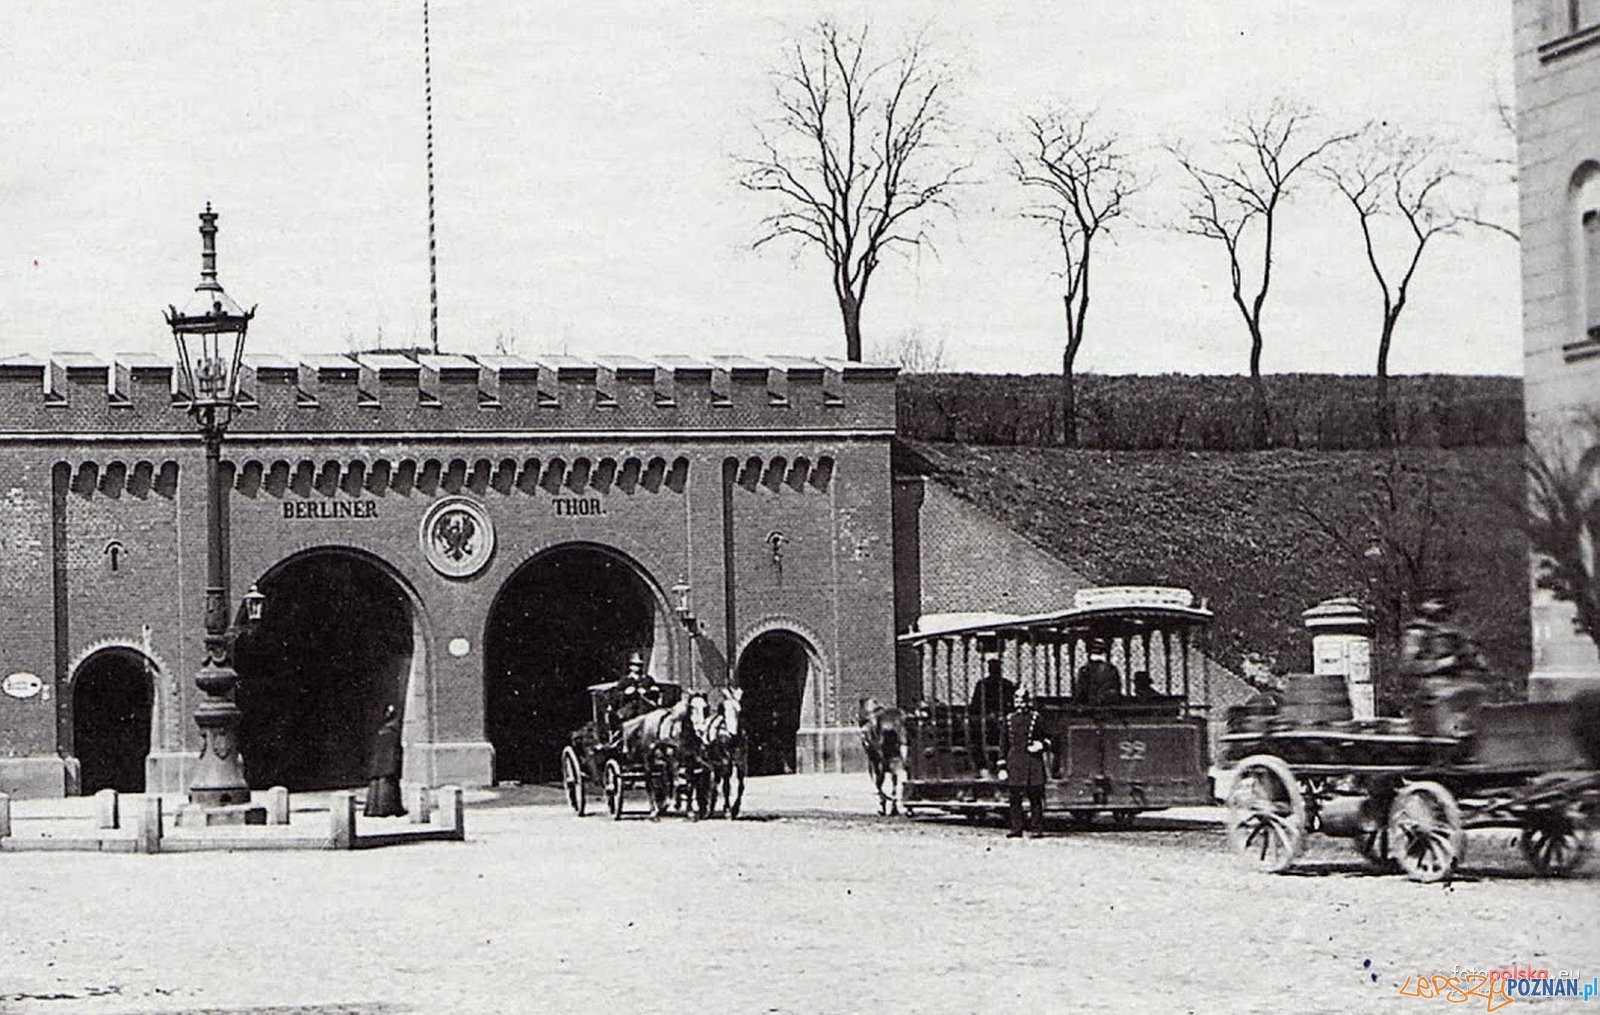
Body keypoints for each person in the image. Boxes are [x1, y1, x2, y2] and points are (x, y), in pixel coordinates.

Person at [999, 686, 1050, 838]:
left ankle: (1036, 828)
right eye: (1017, 699)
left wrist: (1041, 745)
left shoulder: (1036, 718)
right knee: (1015, 797)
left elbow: (1048, 737)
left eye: (1022, 700)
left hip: (1032, 761)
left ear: (1028, 701)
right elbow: (1003, 744)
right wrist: (1002, 766)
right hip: (1015, 761)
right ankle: (1016, 828)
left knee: (1035, 797)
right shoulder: (1008, 719)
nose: (1020, 703)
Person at [364, 704, 406, 818]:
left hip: (379, 763)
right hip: (387, 762)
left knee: (378, 784)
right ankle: (386, 808)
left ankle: (375, 809)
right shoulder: (393, 730)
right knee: (386, 784)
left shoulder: (382, 730)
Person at [614, 652, 662, 724]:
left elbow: (656, 691)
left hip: (646, 708)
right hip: (630, 710)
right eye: (635, 665)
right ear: (630, 666)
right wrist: (626, 693)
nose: (638, 667)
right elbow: (616, 696)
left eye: (640, 665)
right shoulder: (625, 681)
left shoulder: (648, 679)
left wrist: (646, 691)